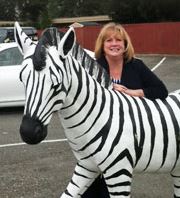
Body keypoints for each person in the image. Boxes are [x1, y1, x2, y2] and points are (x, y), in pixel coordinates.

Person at [82, 22, 168, 197]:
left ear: (125, 44)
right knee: (95, 183)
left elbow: (161, 90)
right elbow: (83, 97)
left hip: (129, 135)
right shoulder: (94, 67)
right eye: (109, 40)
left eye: (118, 40)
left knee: (111, 182)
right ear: (102, 45)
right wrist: (108, 89)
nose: (114, 44)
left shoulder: (136, 65)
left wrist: (135, 92)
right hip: (99, 136)